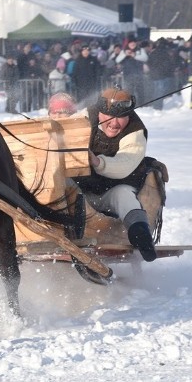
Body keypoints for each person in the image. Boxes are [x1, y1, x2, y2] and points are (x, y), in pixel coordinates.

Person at [72, 88, 157, 261]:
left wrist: (98, 162)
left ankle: (141, 235)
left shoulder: (135, 131)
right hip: (80, 190)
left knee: (123, 195)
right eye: (109, 117)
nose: (114, 123)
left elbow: (126, 163)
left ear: (129, 116)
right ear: (99, 113)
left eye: (121, 117)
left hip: (113, 189)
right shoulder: (83, 118)